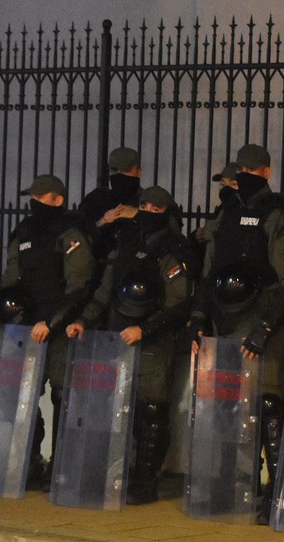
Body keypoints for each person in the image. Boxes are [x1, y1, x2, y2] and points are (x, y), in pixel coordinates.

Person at [188, 144, 284, 524]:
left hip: (262, 320)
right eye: (242, 169)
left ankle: (277, 493)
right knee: (225, 405)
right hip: (224, 321)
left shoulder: (278, 212)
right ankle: (232, 484)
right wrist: (198, 318)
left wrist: (265, 328)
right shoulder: (227, 213)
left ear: (267, 172)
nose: (246, 176)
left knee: (267, 404)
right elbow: (209, 270)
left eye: (253, 170)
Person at [67, 185, 194, 504]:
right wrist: (83, 320)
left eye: (156, 209)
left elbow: (179, 303)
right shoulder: (127, 241)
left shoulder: (173, 246)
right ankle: (114, 473)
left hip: (154, 339)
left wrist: (145, 329)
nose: (149, 213)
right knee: (116, 406)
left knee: (151, 409)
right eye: (145, 207)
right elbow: (105, 291)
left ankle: (145, 482)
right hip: (118, 335)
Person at [0, 174, 95, 490]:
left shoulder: (71, 233)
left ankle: (61, 468)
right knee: (19, 394)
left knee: (62, 395)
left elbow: (79, 285)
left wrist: (52, 322)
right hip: (25, 326)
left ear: (58, 199)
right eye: (33, 197)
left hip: (58, 328)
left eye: (41, 198)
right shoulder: (24, 231)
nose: (34, 203)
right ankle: (29, 462)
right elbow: (10, 277)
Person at [78, 147, 144, 279]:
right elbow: (78, 234)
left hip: (137, 272)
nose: (119, 175)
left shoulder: (150, 200)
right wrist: (102, 222)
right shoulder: (96, 199)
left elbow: (169, 233)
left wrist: (139, 214)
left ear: (139, 171)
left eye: (126, 170)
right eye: (114, 170)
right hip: (97, 272)